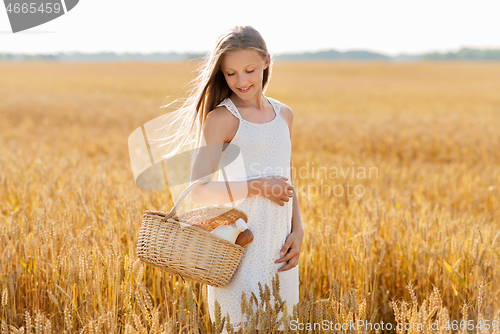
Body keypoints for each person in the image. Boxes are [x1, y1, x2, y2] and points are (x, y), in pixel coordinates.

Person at [165, 25, 304, 333]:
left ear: (267, 61)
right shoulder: (222, 119)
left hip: (281, 250)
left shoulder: (285, 115)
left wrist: (298, 229)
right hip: (238, 251)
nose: (241, 81)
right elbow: (198, 192)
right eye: (230, 74)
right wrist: (259, 186)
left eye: (249, 70)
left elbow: (287, 177)